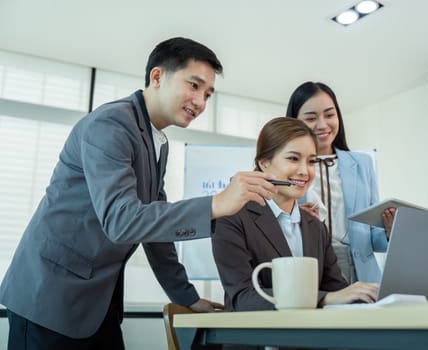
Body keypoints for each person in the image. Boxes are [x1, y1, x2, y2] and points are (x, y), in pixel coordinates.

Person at [0, 37, 279, 349]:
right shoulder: (111, 124)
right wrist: (216, 203)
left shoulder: (158, 144)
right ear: (157, 77)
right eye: (194, 85)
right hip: (49, 298)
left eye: (208, 94)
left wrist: (187, 298)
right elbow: (121, 220)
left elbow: (155, 234)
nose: (200, 101)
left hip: (97, 304)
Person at [212, 117, 379, 313]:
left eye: (311, 161)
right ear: (264, 163)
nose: (304, 171)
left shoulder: (316, 227)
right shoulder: (232, 219)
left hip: (309, 340)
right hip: (256, 339)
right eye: (293, 158)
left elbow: (337, 291)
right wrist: (324, 298)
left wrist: (369, 297)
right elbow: (242, 298)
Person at [286, 81, 395, 284]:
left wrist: (390, 232)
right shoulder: (286, 168)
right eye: (311, 118)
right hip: (309, 271)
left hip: (361, 273)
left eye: (329, 115)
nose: (322, 125)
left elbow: (373, 238)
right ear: (294, 123)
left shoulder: (363, 164)